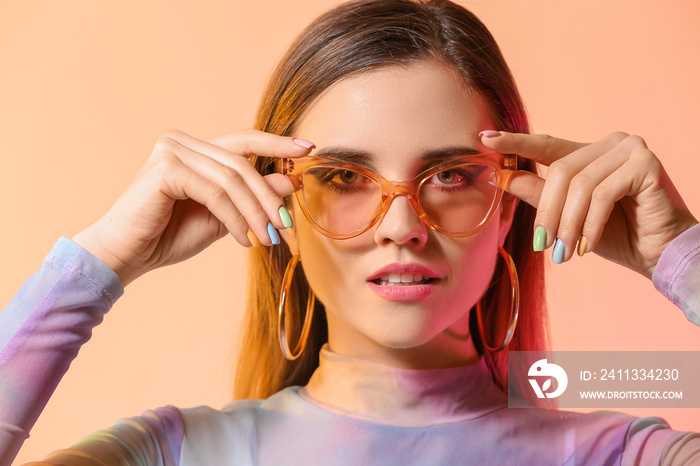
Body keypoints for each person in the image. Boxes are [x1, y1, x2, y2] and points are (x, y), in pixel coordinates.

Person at [2, 0, 699, 464]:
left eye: (452, 176)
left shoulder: (621, 454)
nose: (402, 227)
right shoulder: (176, 452)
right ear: (283, 206)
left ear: (512, 204)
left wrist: (680, 251)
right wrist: (102, 260)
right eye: (343, 177)